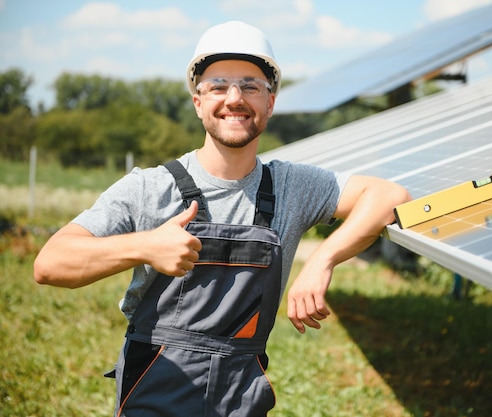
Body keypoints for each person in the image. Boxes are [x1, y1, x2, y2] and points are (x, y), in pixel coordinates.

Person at [34, 20, 411, 417]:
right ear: (198, 103)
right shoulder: (150, 188)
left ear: (270, 102)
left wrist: (322, 260)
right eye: (218, 86)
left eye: (251, 86)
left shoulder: (292, 186)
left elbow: (389, 196)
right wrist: (144, 245)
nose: (234, 98)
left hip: (241, 396)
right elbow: (50, 263)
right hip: (157, 388)